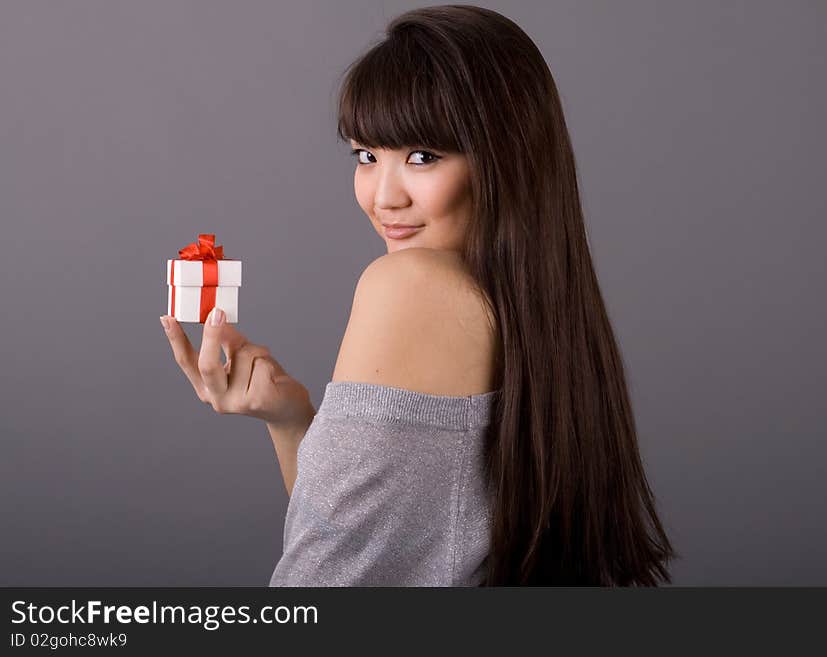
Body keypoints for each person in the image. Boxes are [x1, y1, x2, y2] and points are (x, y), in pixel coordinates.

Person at [159, 4, 678, 586]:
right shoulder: (540, 317)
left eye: (423, 156)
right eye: (366, 156)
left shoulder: (411, 285)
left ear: (505, 159)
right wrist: (292, 421)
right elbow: (399, 548)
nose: (384, 197)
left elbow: (327, 582)